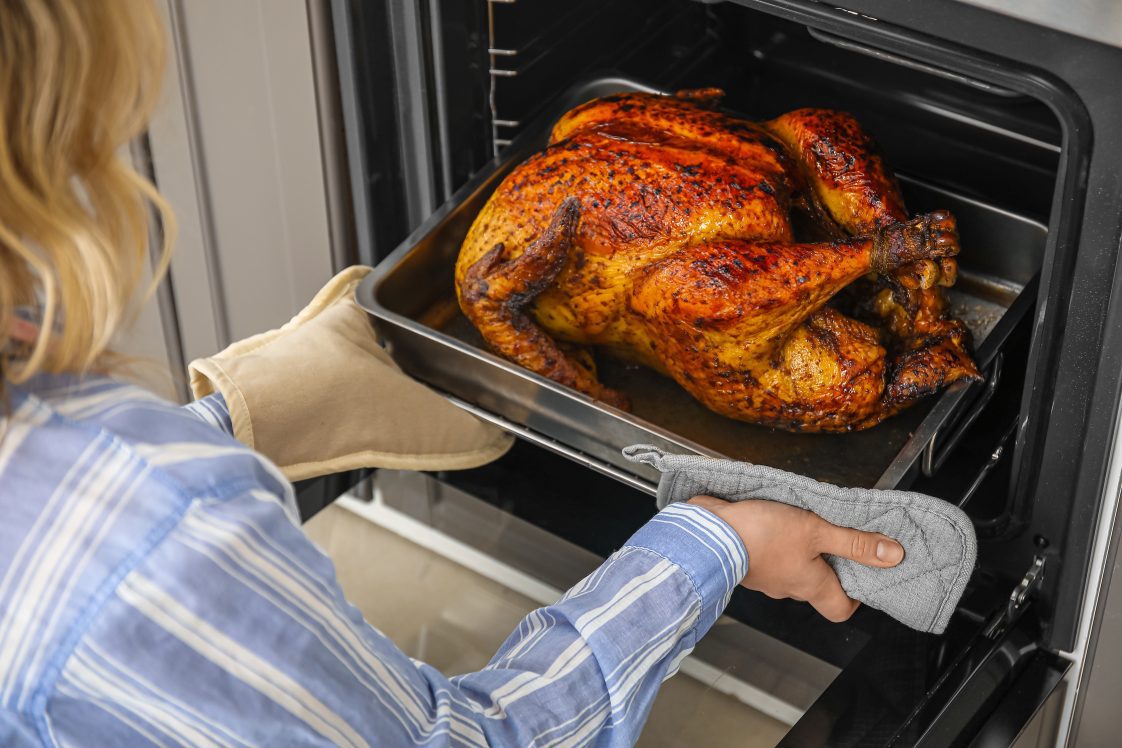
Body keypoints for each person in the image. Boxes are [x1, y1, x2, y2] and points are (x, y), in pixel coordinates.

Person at [0, 1, 905, 745]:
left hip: (701, 212)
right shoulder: (143, 537)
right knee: (845, 365)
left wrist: (237, 412)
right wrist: (717, 544)